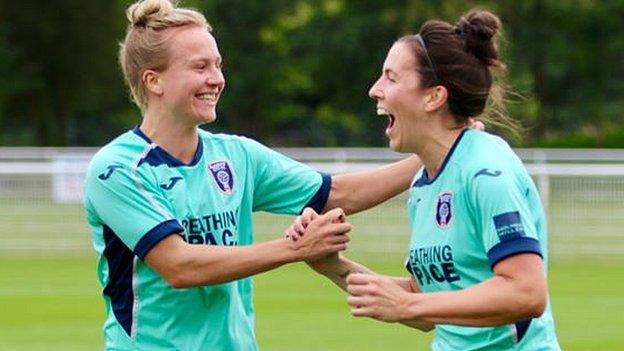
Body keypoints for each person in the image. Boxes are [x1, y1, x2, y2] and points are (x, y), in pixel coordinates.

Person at [82, 0, 423, 350]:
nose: (216, 79)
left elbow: (337, 193)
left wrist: (432, 152)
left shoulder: (236, 156)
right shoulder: (117, 170)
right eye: (200, 67)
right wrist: (295, 248)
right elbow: (180, 266)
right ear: (153, 81)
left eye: (217, 65)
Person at [289, 9, 561, 350]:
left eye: (391, 77)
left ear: (434, 96)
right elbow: (428, 307)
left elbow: (526, 292)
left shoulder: (487, 173)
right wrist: (332, 266)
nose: (375, 90)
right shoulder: (424, 182)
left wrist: (409, 304)